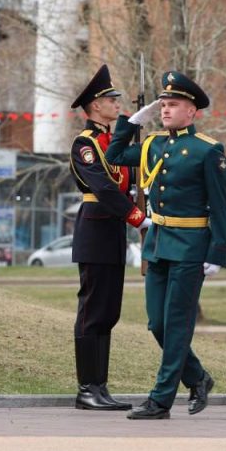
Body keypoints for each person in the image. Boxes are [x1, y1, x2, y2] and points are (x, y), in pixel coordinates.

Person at [106, 70, 226, 420]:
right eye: (163, 104)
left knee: (176, 323)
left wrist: (217, 251)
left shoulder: (208, 150)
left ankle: (160, 399)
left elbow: (220, 205)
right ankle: (198, 377)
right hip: (159, 242)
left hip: (191, 245)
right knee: (157, 324)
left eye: (173, 105)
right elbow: (114, 156)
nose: (165, 110)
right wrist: (131, 121)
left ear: (192, 111)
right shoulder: (153, 145)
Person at [68, 64, 150, 410]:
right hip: (95, 229)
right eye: (111, 98)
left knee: (108, 312)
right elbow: (102, 185)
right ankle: (87, 388)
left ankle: (99, 386)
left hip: (112, 233)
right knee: (92, 311)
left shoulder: (113, 142)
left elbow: (132, 181)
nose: (117, 103)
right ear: (94, 105)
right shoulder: (85, 144)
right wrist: (135, 216)